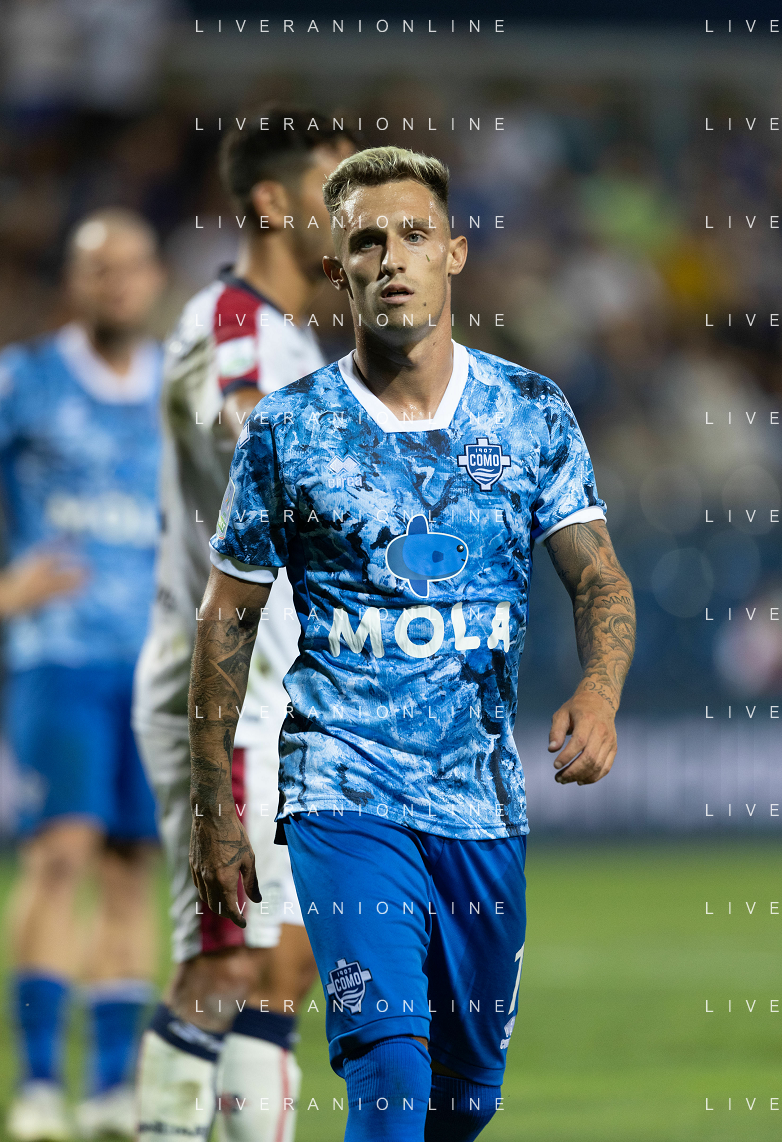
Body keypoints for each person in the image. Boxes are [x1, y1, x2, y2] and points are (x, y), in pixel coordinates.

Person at [187, 144, 637, 1140]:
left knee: (464, 1099)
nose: (391, 257)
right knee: (390, 1066)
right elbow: (228, 617)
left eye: (414, 234)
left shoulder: (530, 412)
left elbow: (598, 575)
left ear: (455, 253)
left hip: (480, 802)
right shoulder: (288, 430)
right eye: (366, 241)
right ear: (337, 266)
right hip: (342, 792)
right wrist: (215, 808)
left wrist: (600, 690)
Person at [133, 108, 357, 1142]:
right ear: (271, 202)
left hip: (276, 698)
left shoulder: (292, 337)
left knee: (283, 963)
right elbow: (244, 421)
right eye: (332, 191)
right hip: (223, 700)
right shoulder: (231, 322)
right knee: (225, 967)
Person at [1, 208, 165, 1142]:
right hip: (56, 655)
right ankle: (35, 1086)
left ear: (153, 280)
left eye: (132, 266)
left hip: (154, 665)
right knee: (60, 853)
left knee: (130, 865)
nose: (117, 282)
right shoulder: (23, 381)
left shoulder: (180, 392)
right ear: (75, 282)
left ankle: (108, 1089)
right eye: (99, 267)